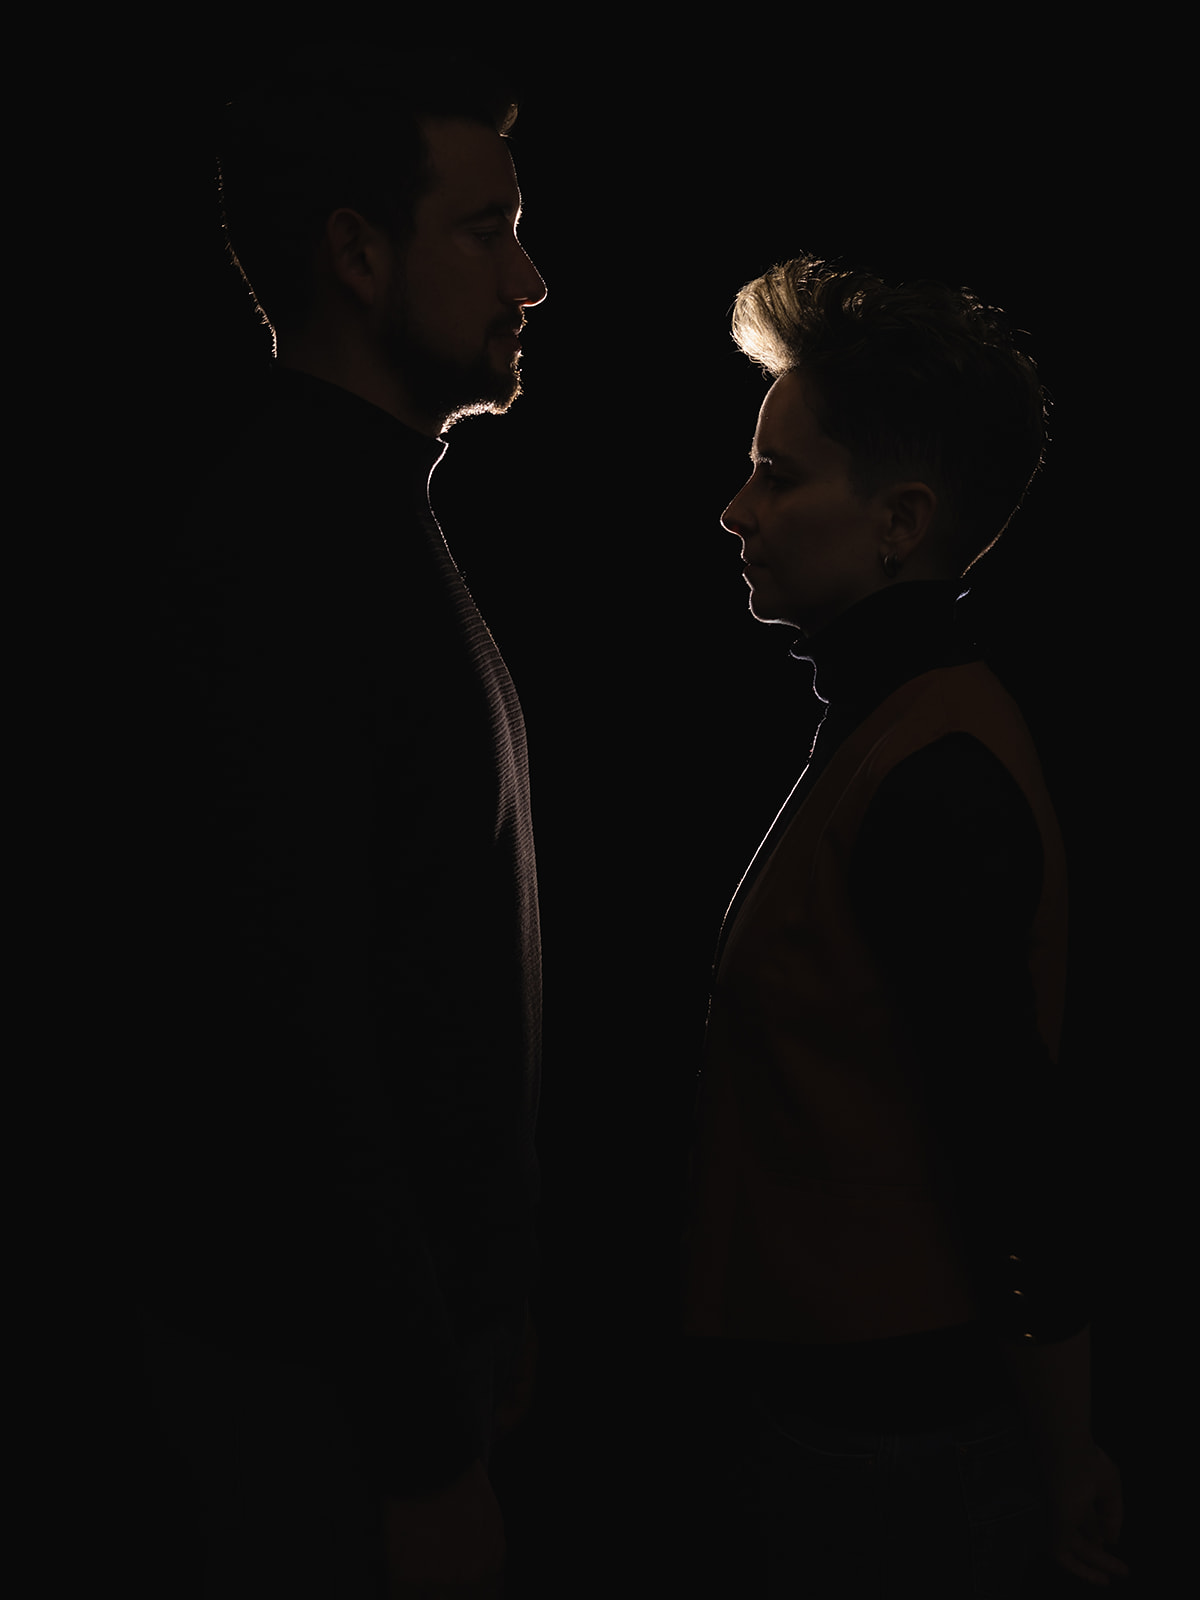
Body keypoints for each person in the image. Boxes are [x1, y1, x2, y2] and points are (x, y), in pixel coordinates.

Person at [131, 47, 547, 1598]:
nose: (530, 279)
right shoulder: (281, 557)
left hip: (383, 1378)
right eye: (487, 229)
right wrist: (420, 1439)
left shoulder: (364, 518)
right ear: (357, 254)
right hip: (318, 1414)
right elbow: (289, 1036)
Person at [678, 256, 1129, 1597]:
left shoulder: (933, 774)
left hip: (887, 1451)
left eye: (779, 476)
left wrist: (1067, 1456)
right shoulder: (891, 726)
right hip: (849, 1426)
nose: (736, 509)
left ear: (900, 522)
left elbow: (1014, 1150)